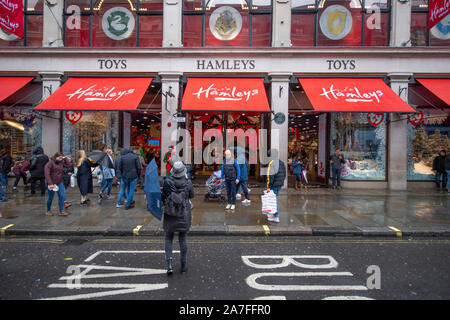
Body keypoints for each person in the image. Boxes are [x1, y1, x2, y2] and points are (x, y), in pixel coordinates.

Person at [162, 161, 194, 275]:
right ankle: (183, 266)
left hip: (170, 213)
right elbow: (192, 196)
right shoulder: (188, 182)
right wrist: (186, 181)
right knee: (183, 238)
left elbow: (163, 196)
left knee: (168, 238)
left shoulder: (167, 181)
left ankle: (169, 265)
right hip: (183, 213)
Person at [44, 152, 71, 216]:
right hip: (51, 183)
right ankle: (48, 210)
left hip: (59, 182)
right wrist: (50, 183)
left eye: (61, 158)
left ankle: (61, 211)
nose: (60, 159)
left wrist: (65, 159)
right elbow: (47, 174)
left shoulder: (61, 162)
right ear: (55, 157)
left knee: (62, 196)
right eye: (59, 158)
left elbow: (68, 165)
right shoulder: (49, 163)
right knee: (51, 197)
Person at [266, 149, 286, 223]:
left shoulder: (271, 163)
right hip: (279, 184)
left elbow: (270, 176)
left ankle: (275, 215)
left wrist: (268, 186)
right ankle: (273, 214)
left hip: (274, 184)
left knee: (273, 200)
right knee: (274, 198)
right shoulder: (281, 162)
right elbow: (284, 174)